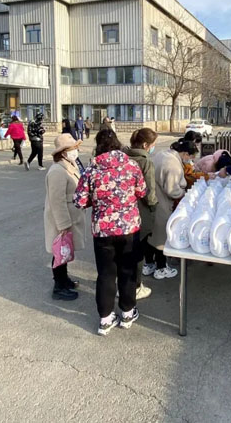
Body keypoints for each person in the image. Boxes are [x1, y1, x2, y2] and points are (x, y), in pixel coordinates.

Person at [74, 129, 147, 336]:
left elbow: (79, 201)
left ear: (98, 146)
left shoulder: (92, 170)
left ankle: (105, 319)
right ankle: (127, 313)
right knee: (127, 271)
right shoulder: (131, 165)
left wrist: (96, 201)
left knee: (106, 274)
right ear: (117, 144)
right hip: (129, 228)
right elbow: (142, 191)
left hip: (103, 231)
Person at [147, 139, 198, 279]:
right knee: (161, 236)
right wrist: (184, 193)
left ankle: (149, 264)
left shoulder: (163, 154)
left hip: (152, 199)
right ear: (185, 154)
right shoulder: (172, 164)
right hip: (162, 202)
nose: (191, 160)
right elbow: (172, 190)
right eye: (191, 157)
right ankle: (161, 268)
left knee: (151, 235)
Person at [44, 134, 85, 301]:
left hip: (70, 217)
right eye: (72, 149)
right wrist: (63, 224)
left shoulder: (69, 165)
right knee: (59, 252)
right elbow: (57, 200)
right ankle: (59, 286)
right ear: (63, 152)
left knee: (65, 251)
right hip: (62, 220)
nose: (75, 151)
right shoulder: (57, 171)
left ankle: (64, 280)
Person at [124, 128, 159, 300]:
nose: (153, 148)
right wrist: (154, 207)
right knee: (137, 252)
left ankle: (123, 284)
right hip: (140, 210)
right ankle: (136, 286)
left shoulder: (123, 157)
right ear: (145, 145)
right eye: (153, 145)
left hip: (123, 210)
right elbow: (149, 192)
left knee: (124, 252)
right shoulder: (145, 162)